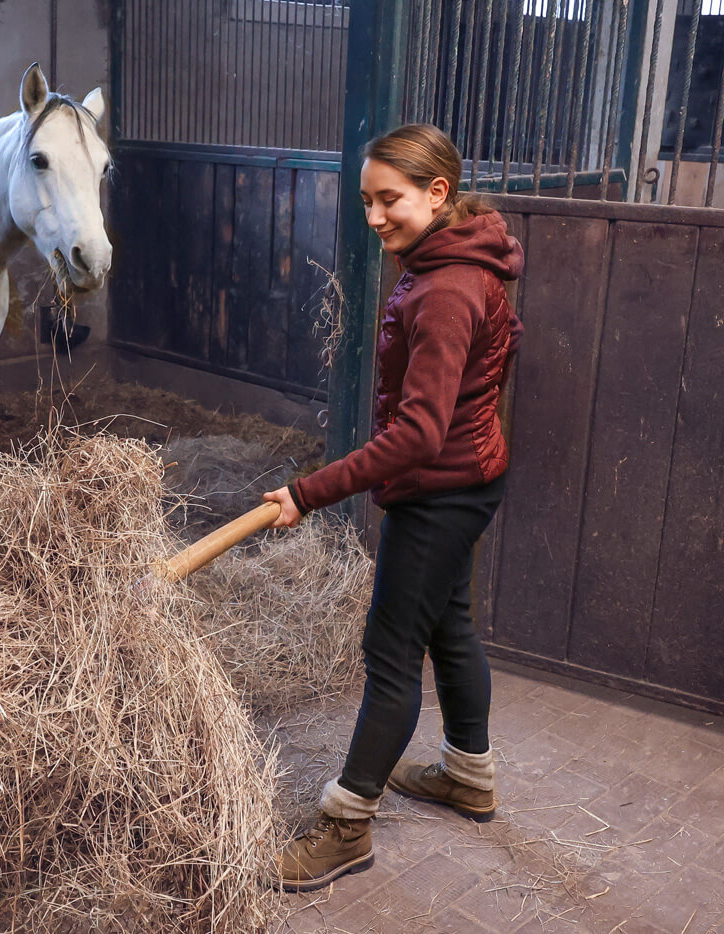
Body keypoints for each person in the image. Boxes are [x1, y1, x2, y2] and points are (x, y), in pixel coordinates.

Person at [262, 123, 524, 892]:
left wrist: (309, 494)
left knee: (388, 657)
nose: (374, 217)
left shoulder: (445, 287)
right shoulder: (457, 260)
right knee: (450, 625)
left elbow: (418, 433)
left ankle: (345, 828)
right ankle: (469, 778)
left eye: (390, 200)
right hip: (467, 478)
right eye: (367, 201)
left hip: (440, 492)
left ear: (438, 193)